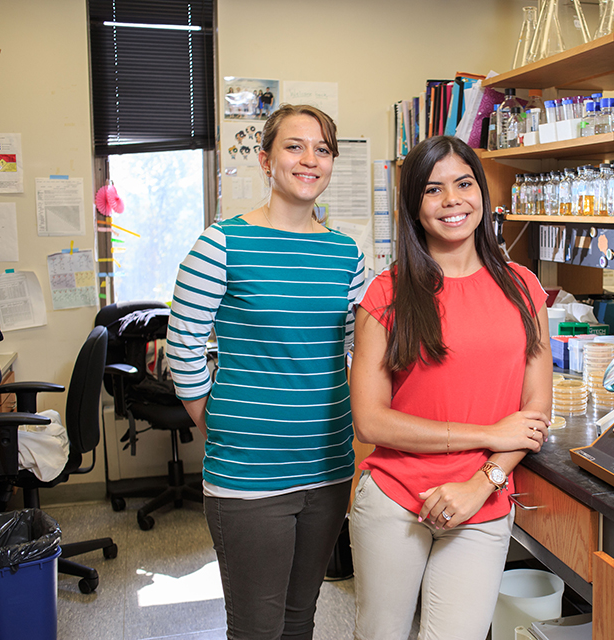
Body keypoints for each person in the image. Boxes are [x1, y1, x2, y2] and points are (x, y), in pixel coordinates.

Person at [166, 104, 365, 639]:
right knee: (257, 627)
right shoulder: (222, 243)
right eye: (295, 146)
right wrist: (213, 422)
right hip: (248, 475)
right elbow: (182, 343)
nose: (310, 160)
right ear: (265, 159)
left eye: (322, 149)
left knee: (301, 619)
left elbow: (358, 353)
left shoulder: (347, 254)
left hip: (327, 467)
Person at [349, 135, 552, 640]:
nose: (452, 201)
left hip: (481, 498)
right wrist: (489, 432)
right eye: (433, 190)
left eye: (464, 184)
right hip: (395, 499)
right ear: (414, 207)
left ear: (481, 192)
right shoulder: (388, 293)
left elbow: (536, 409)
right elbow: (371, 421)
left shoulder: (523, 287)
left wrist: (482, 482)